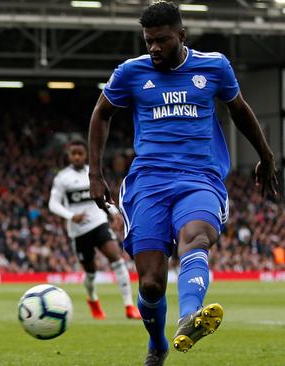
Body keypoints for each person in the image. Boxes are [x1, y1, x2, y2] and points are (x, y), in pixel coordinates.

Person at [87, 2, 277, 365]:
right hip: (148, 183)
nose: (154, 48)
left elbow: (240, 110)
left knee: (197, 236)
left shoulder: (214, 66)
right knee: (151, 283)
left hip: (199, 178)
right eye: (148, 41)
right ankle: (157, 343)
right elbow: (101, 113)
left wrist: (266, 156)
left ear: (182, 35)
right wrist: (94, 175)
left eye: (162, 40)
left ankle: (190, 315)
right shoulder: (131, 73)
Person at [49, 139, 142, 321]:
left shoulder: (93, 175)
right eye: (73, 154)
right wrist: (70, 216)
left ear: (85, 155)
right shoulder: (62, 178)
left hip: (99, 224)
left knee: (117, 259)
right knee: (90, 273)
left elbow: (103, 197)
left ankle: (129, 305)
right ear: (69, 156)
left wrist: (114, 212)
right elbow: (53, 204)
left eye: (80, 153)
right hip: (78, 231)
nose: (76, 157)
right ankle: (92, 299)